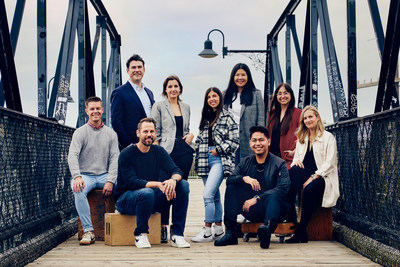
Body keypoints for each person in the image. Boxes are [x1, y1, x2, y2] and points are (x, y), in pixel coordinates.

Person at [114, 118, 191, 249]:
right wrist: (157, 184)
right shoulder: (126, 153)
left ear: (155, 133)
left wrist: (173, 180)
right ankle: (141, 234)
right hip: (126, 200)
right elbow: (131, 182)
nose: (149, 134)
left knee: (183, 185)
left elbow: (176, 170)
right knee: (147, 192)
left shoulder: (158, 151)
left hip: (149, 198)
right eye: (145, 131)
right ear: (138, 133)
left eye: (151, 131)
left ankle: (177, 234)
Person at [214, 126, 290, 249]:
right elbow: (230, 180)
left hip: (274, 210)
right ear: (250, 143)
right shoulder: (245, 162)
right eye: (254, 140)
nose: (257, 143)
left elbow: (283, 188)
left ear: (268, 141)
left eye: (261, 140)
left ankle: (266, 231)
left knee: (274, 196)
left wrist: (257, 197)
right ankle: (231, 233)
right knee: (232, 187)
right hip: (252, 210)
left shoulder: (279, 163)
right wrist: (244, 178)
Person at [67, 96, 120, 245]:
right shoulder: (80, 132)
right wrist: (77, 177)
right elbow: (72, 156)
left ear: (102, 110)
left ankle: (121, 225)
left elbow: (115, 158)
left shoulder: (111, 134)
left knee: (125, 185)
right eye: (92, 109)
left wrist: (110, 180)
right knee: (77, 189)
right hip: (85, 175)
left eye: (98, 108)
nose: (95, 111)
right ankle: (88, 231)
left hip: (104, 175)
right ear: (86, 111)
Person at [286, 105, 339, 243]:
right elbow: (296, 159)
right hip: (306, 174)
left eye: (310, 117)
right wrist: (296, 162)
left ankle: (301, 231)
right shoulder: (302, 138)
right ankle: (289, 214)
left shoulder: (328, 137)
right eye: (305, 118)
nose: (308, 120)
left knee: (309, 190)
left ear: (317, 117)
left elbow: (330, 162)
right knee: (292, 174)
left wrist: (314, 176)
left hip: (323, 177)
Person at [193, 87, 239, 243]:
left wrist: (218, 150)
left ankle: (207, 231)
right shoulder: (205, 118)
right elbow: (200, 140)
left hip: (219, 159)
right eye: (209, 97)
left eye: (214, 96)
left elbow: (234, 141)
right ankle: (218, 230)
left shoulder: (227, 117)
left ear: (220, 98)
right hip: (204, 159)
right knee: (215, 197)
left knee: (207, 195)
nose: (212, 99)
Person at [151, 75, 194, 243]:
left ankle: (176, 230)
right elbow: (156, 130)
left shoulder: (186, 106)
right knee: (165, 188)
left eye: (176, 86)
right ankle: (162, 226)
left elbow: (186, 129)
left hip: (183, 151)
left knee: (180, 188)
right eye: (170, 86)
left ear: (180, 88)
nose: (173, 89)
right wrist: (155, 153)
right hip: (165, 151)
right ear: (165, 89)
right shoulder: (159, 106)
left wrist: (190, 135)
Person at [111, 54, 155, 150]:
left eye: (139, 67)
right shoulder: (119, 93)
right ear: (127, 71)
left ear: (144, 70)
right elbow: (116, 122)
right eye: (133, 67)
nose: (137, 70)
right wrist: (129, 146)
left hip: (149, 146)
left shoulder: (149, 93)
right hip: (131, 148)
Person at [223, 63, 265, 164]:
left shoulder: (256, 94)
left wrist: (258, 140)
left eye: (243, 75)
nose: (240, 78)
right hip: (230, 141)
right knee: (234, 174)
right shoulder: (225, 95)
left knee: (249, 172)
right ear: (233, 77)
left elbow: (261, 121)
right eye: (237, 75)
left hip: (249, 142)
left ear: (248, 77)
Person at [267, 83, 302, 169]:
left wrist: (295, 150)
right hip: (272, 156)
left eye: (286, 93)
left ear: (291, 95)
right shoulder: (272, 114)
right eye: (279, 93)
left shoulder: (298, 113)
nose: (283, 96)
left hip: (288, 157)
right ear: (276, 96)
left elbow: (303, 134)